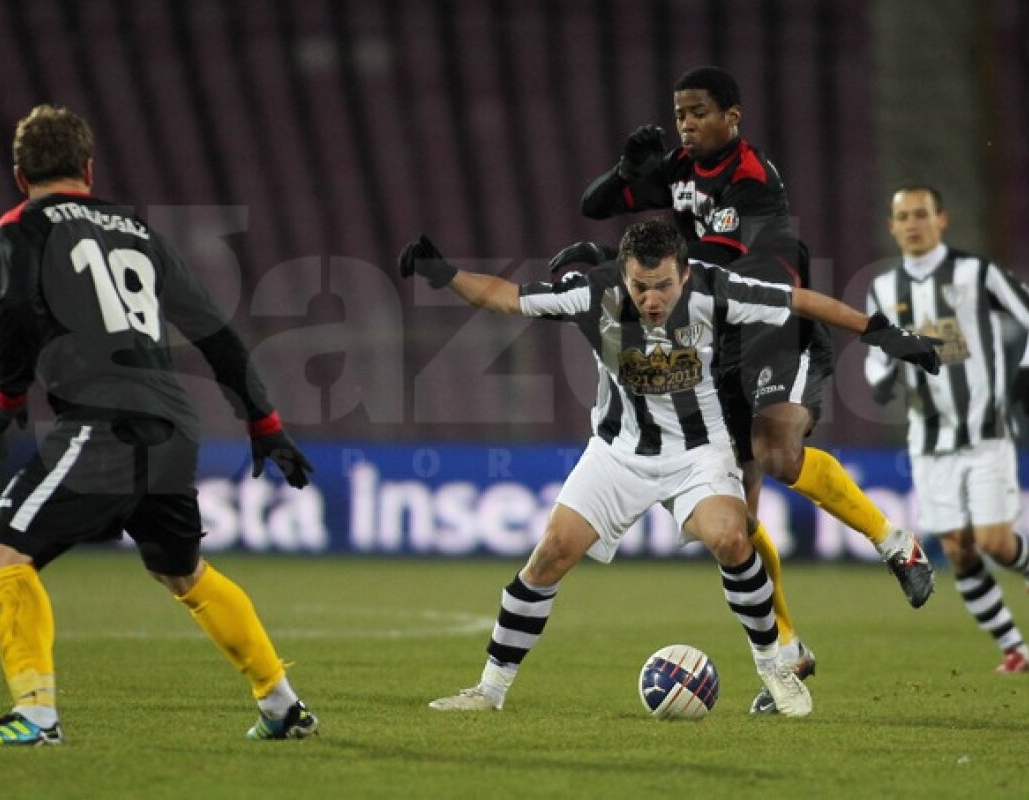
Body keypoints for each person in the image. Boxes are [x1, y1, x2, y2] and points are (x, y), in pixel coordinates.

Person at [398, 218, 941, 717]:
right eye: (640, 287)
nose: (652, 299)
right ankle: (489, 689)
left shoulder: (715, 289)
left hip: (697, 452)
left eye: (662, 286)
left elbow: (799, 300)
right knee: (550, 554)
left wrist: (882, 333)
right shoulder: (593, 293)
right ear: (623, 274)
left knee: (732, 538)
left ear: (684, 273)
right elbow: (505, 297)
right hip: (618, 452)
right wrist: (443, 274)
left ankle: (775, 666)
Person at [553, 64, 936, 712]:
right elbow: (595, 205)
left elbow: (720, 268)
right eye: (680, 113)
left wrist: (879, 332)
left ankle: (895, 543)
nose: (686, 124)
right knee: (737, 520)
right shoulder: (679, 168)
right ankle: (787, 650)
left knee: (777, 452)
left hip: (777, 327)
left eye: (699, 112)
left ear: (733, 118)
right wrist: (624, 173)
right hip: (722, 343)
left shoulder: (751, 177)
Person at [0, 105, 318, 746]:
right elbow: (215, 332)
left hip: (105, 421)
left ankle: (36, 718)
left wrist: (9, 397)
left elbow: (15, 310)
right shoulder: (138, 230)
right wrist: (265, 422)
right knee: (184, 573)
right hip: (172, 423)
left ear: (20, 177)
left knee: (3, 556)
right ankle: (282, 706)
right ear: (89, 170)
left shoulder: (23, 223)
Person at [865, 184, 1029, 673]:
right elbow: (875, 355)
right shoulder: (883, 289)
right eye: (903, 217)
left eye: (921, 214)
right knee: (958, 549)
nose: (912, 224)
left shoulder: (976, 273)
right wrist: (881, 377)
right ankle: (1014, 649)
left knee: (995, 541)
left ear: (942, 220)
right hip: (928, 440)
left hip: (985, 431)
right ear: (891, 227)